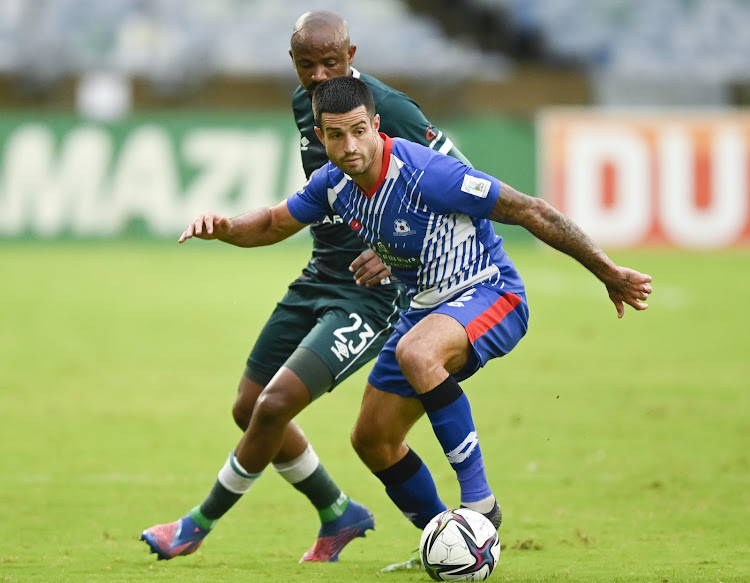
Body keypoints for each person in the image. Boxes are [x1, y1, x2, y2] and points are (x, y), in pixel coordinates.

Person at [176, 76, 653, 566]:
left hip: (490, 292)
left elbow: (532, 210)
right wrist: (226, 227)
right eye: (336, 136)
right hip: (423, 309)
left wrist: (608, 272)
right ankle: (448, 544)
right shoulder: (332, 183)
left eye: (359, 131)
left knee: (417, 353)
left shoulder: (427, 172)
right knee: (373, 440)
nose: (350, 146)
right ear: (320, 137)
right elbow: (275, 223)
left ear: (376, 125)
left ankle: (479, 507)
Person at [140, 10, 472, 564]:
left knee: (275, 406)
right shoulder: (306, 106)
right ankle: (339, 512)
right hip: (319, 273)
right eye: (306, 64)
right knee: (249, 407)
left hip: (370, 293)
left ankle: (197, 524)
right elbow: (289, 212)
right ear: (291, 62)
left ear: (352, 55)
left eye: (331, 62)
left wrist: (395, 249)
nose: (319, 76)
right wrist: (225, 227)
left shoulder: (390, 110)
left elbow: (461, 182)